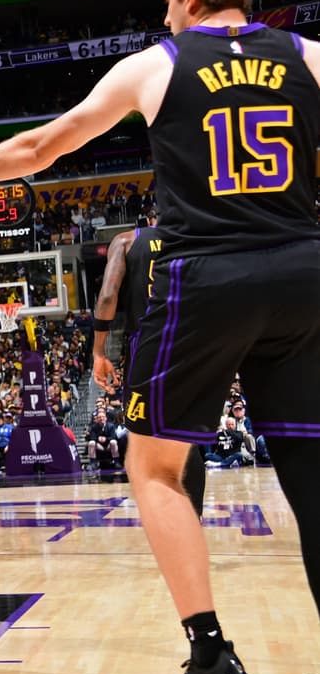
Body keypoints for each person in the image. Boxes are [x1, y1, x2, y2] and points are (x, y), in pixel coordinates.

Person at [0, 0, 320, 674]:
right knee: (314, 473)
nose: (165, 11)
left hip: (209, 273)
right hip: (305, 270)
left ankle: (210, 658)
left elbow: (39, 147)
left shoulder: (157, 66)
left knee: (155, 468)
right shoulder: (307, 55)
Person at [91, 212, 206, 515]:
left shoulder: (127, 240)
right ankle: (193, 517)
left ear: (149, 218)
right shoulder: (195, 238)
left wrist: (99, 351)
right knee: (186, 436)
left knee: (144, 435)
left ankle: (166, 517)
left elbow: (107, 296)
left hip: (148, 343)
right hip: (189, 340)